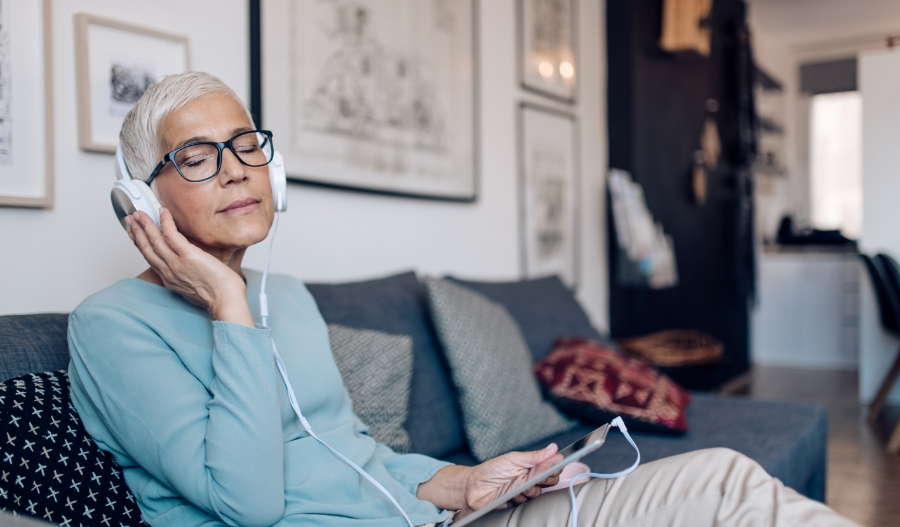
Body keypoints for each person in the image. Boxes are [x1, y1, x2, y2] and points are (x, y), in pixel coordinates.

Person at [67, 72, 859, 527]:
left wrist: (464, 481)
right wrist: (226, 307)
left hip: (446, 520)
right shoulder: (109, 328)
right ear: (141, 198)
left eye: (247, 145)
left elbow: (360, 455)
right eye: (199, 156)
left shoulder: (291, 298)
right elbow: (247, 501)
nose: (239, 168)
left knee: (720, 478)